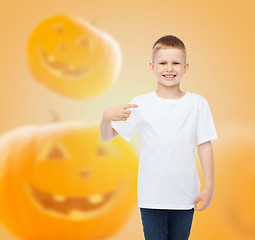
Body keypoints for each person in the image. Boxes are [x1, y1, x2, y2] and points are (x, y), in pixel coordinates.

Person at [99, 35, 218, 240]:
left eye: (175, 63)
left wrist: (209, 186)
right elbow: (106, 137)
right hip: (151, 197)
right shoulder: (140, 104)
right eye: (163, 63)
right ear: (152, 66)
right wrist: (105, 118)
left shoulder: (197, 103)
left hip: (185, 197)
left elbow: (204, 145)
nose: (169, 68)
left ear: (185, 67)